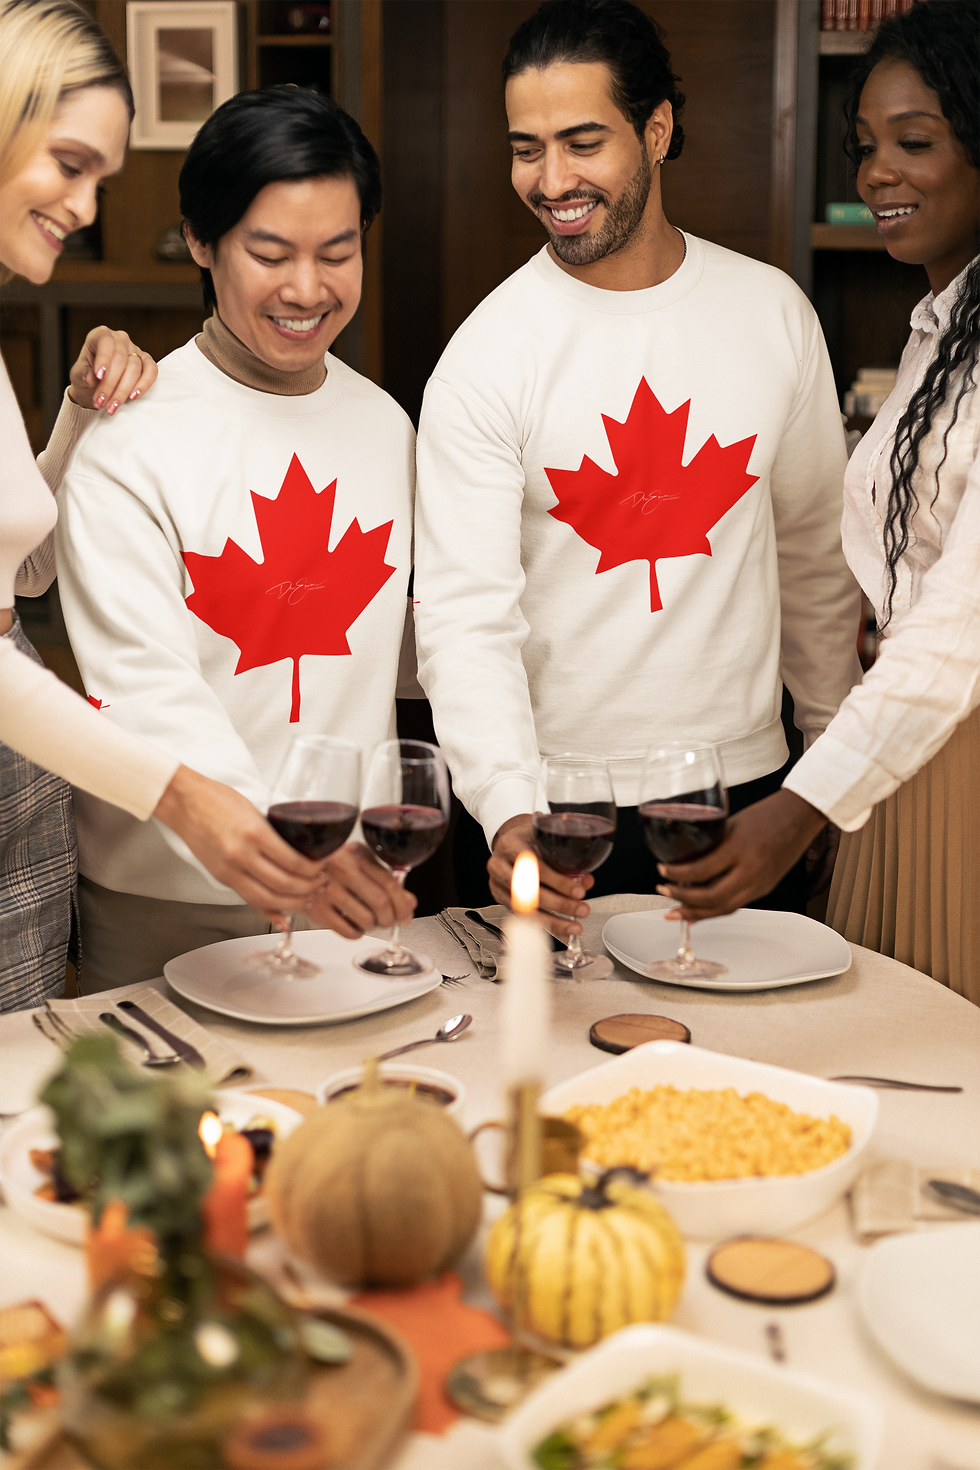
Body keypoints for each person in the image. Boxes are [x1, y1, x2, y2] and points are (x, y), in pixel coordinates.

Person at [413, 0, 862, 939]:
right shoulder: (487, 354)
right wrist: (505, 808)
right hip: (555, 808)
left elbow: (815, 558)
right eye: (526, 148)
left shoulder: (771, 311)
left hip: (747, 793)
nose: (552, 180)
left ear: (657, 130)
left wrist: (827, 771)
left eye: (583, 142)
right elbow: (463, 616)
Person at [0, 0, 332, 1013]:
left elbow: (25, 571)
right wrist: (183, 793)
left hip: (25, 773)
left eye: (99, 174)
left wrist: (74, 419)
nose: (86, 203)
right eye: (68, 162)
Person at [654, 0, 980, 1007]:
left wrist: (798, 807)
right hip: (896, 752)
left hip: (949, 754)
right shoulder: (938, 326)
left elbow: (957, 626)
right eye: (863, 146)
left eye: (912, 142)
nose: (875, 172)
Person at [55, 85, 416, 989]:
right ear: (202, 242)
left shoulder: (387, 427)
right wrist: (286, 848)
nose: (307, 288)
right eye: (271, 253)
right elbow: (145, 689)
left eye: (338, 252)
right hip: (165, 895)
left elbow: (405, 649)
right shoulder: (131, 434)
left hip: (348, 888)